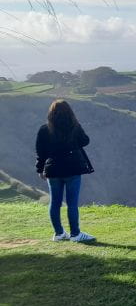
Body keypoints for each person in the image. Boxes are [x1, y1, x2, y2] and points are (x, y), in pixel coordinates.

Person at [35, 99, 96, 243]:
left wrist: (40, 169)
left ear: (51, 113)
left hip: (53, 170)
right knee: (72, 203)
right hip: (72, 168)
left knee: (55, 202)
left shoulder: (44, 129)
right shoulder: (73, 126)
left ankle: (59, 233)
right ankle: (75, 234)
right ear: (69, 112)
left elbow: (40, 152)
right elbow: (85, 141)